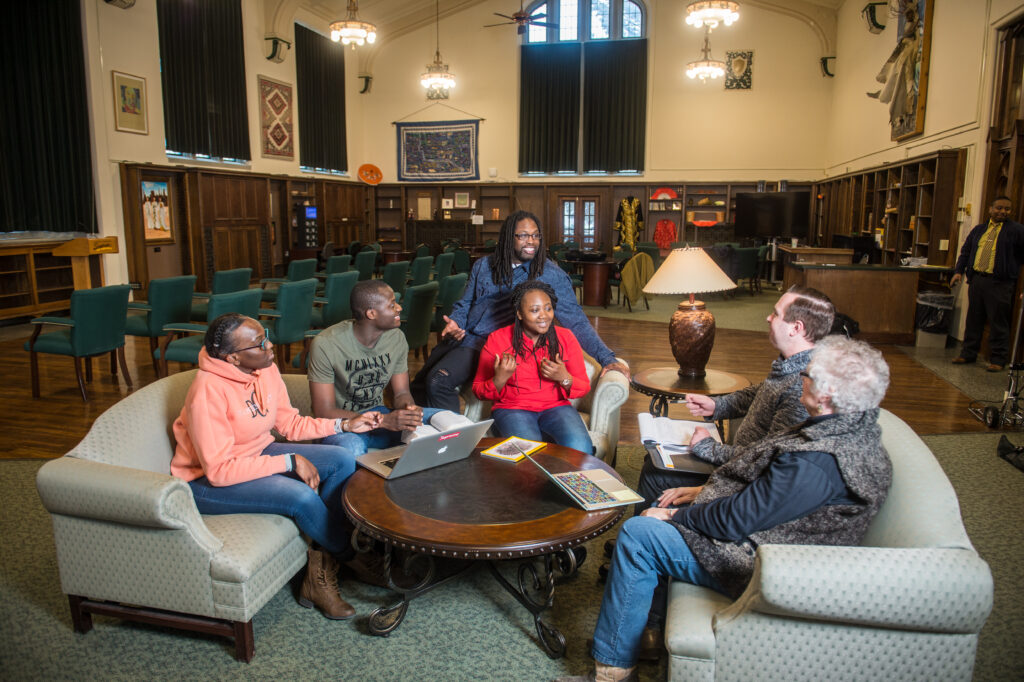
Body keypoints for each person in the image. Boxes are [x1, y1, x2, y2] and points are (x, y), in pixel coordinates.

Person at [565, 336, 893, 682]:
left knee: (640, 534)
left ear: (826, 396)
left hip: (765, 563)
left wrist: (677, 516)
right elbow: (765, 498)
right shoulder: (849, 430)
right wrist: (702, 492)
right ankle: (645, 632)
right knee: (661, 494)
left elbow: (738, 519)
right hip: (771, 541)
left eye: (808, 374)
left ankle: (612, 674)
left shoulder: (816, 464)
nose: (801, 378)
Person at [171, 314, 360, 621]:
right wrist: (289, 461)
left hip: (256, 453)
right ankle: (352, 555)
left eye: (266, 335)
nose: (270, 345)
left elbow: (290, 424)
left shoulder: (265, 368)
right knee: (299, 497)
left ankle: (319, 567)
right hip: (205, 481)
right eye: (259, 343)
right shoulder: (207, 391)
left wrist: (345, 424)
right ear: (232, 357)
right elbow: (219, 470)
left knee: (341, 459)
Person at [636, 286, 835, 508]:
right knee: (655, 458)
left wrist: (707, 447)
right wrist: (717, 405)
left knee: (655, 475)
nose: (768, 318)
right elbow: (760, 392)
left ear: (795, 328)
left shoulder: (802, 389)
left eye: (776, 314)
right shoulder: (792, 366)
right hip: (736, 461)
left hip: (741, 477)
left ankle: (644, 535)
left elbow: (764, 461)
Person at [415, 210, 629, 412]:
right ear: (509, 237)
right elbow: (465, 303)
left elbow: (577, 321)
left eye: (536, 236)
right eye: (523, 235)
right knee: (418, 385)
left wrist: (607, 358)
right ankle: (423, 437)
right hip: (462, 338)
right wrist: (456, 322)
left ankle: (452, 443)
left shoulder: (550, 275)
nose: (531, 241)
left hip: (490, 345)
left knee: (438, 380)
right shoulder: (484, 265)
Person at [309, 279, 439, 454]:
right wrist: (383, 421)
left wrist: (409, 409)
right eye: (392, 305)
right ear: (371, 313)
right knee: (352, 448)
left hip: (379, 413)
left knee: (445, 420)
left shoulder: (396, 338)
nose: (399, 308)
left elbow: (401, 393)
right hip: (343, 424)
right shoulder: (326, 344)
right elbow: (323, 411)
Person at [472, 280, 593, 454]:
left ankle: (572, 482)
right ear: (520, 314)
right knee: (530, 454)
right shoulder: (497, 339)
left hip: (556, 407)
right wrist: (499, 379)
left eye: (548, 308)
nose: (544, 315)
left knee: (580, 446)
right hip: (512, 409)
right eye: (535, 310)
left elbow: (583, 387)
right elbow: (478, 390)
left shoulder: (565, 337)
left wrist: (563, 377)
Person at [951, 196, 1024, 371]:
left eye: (1007, 209)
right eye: (999, 208)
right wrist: (959, 271)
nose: (1003, 212)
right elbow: (966, 252)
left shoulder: (1017, 230)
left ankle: (998, 359)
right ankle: (968, 353)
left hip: (1000, 283)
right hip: (977, 280)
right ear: (991, 209)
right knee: (973, 319)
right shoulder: (979, 230)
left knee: (998, 321)